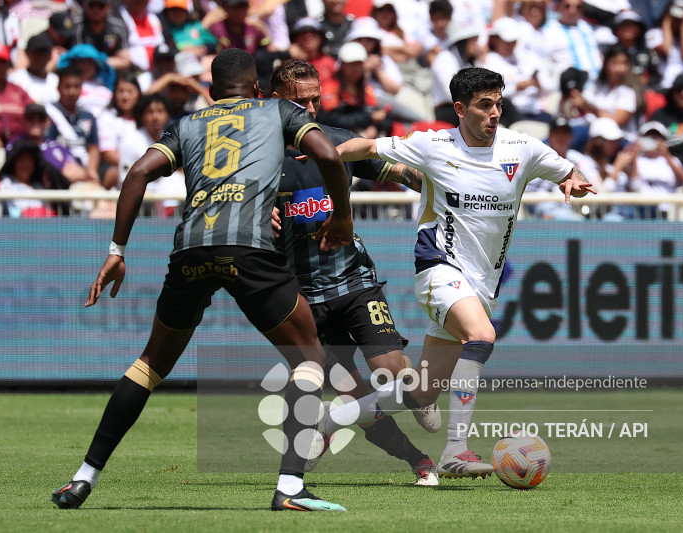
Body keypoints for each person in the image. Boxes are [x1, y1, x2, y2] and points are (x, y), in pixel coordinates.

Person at [50, 48, 354, 512]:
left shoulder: (188, 123)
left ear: (211, 92)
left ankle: (82, 478)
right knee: (308, 354)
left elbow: (137, 173)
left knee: (150, 364)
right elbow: (329, 155)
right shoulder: (278, 109)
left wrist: (117, 250)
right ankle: (291, 487)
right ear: (257, 88)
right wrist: (344, 220)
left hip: (190, 248)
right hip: (249, 247)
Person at [317, 67, 595, 478]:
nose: (495, 113)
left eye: (498, 103)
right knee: (482, 336)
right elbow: (369, 147)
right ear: (461, 109)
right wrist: (328, 153)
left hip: (482, 284)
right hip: (438, 271)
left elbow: (567, 169)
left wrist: (574, 179)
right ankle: (455, 451)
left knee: (420, 392)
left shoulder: (522, 148)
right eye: (485, 105)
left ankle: (331, 420)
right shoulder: (432, 145)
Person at [268, 59, 441, 486]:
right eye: (299, 101)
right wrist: (253, 214)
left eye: (315, 99)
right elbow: (224, 198)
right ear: (274, 101)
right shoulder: (258, 158)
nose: (309, 109)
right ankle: (418, 460)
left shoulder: (338, 143)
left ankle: (409, 392)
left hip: (354, 281)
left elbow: (404, 173)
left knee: (391, 371)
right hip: (302, 298)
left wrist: (450, 186)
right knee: (355, 396)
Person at [45, 66, 101, 185]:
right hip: (59, 173)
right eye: (67, 86)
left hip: (84, 172)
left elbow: (93, 147)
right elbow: (46, 147)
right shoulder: (48, 114)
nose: (72, 91)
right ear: (58, 88)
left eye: (76, 87)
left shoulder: (88, 117)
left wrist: (91, 170)